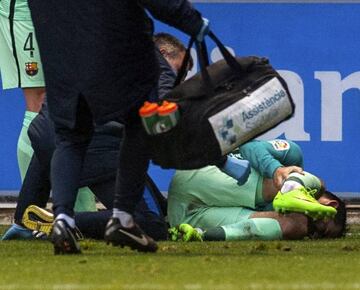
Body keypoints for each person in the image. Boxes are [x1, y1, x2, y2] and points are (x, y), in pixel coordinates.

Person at [28, 0, 210, 254]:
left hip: (62, 53)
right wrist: (191, 20)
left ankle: (62, 220)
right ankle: (122, 218)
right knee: (140, 122)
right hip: (115, 46)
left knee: (70, 136)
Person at [1, 32, 191, 242]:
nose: (179, 80)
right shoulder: (149, 63)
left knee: (55, 135)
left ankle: (24, 224)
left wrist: (22, 218)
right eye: (179, 70)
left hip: (53, 131)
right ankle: (62, 221)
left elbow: (47, 141)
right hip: (96, 146)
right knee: (152, 225)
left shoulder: (103, 50)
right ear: (163, 53)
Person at [0, 0, 97, 216]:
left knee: (73, 103)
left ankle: (77, 209)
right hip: (26, 10)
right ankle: (31, 212)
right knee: (41, 103)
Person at [167, 139, 347, 242]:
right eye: (320, 226)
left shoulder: (295, 223)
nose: (312, 230)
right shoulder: (294, 155)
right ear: (330, 204)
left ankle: (199, 235)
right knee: (310, 182)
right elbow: (248, 146)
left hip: (183, 217)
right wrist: (276, 169)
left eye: (316, 235)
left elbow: (250, 229)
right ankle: (292, 187)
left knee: (295, 225)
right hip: (200, 175)